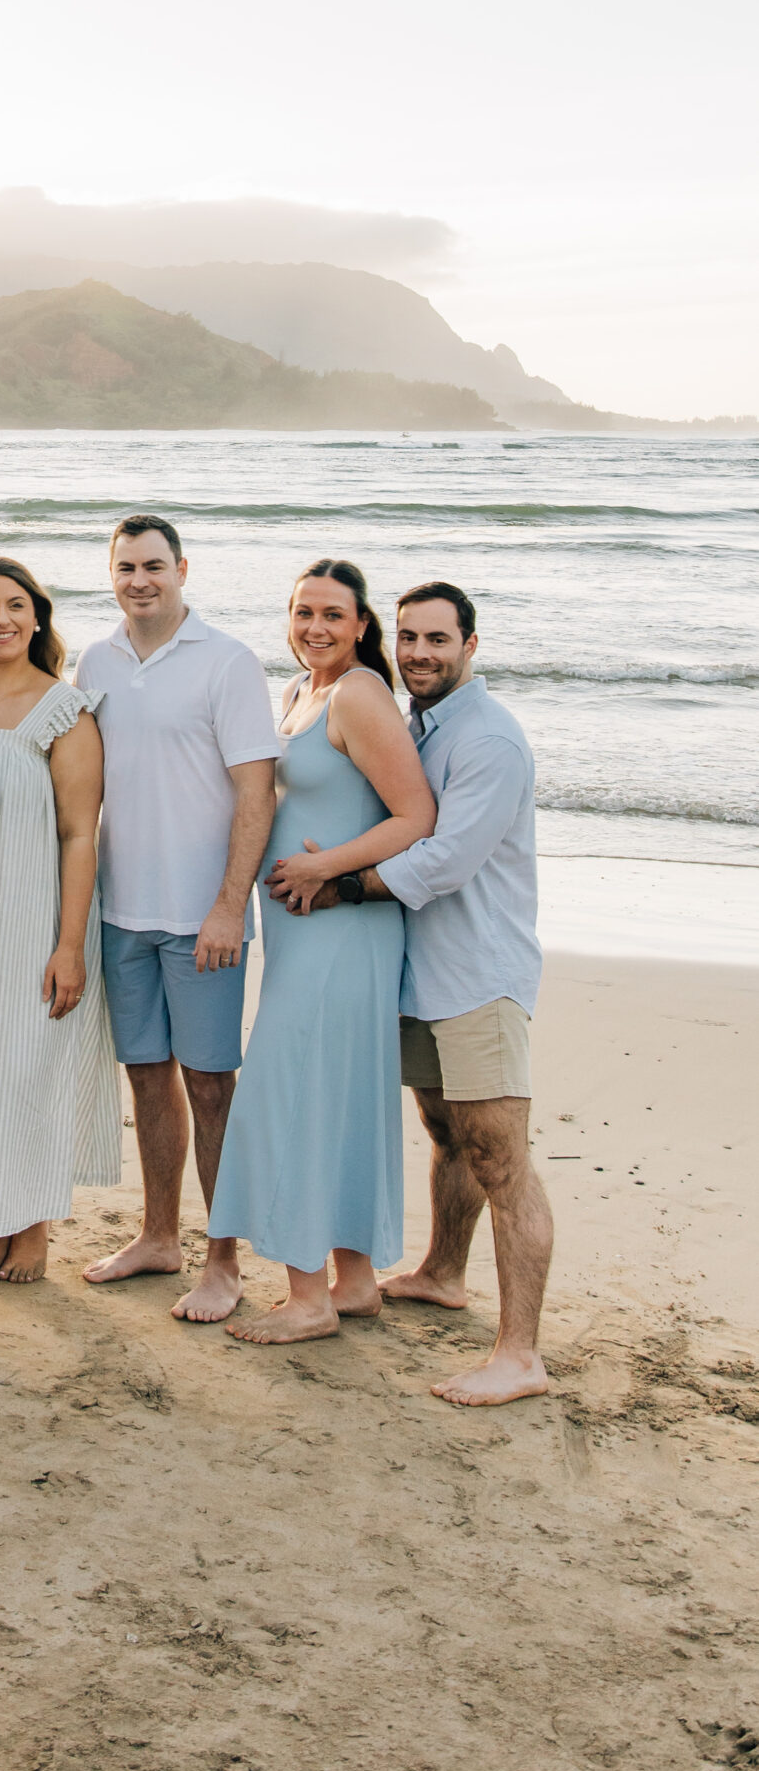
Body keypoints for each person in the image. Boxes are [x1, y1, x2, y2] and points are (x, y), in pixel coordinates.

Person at [285, 583, 553, 1407]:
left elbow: (443, 860)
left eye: (436, 638)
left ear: (471, 644)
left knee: (499, 1157)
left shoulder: (489, 742)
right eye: (407, 638)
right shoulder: (417, 725)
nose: (418, 654)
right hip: (417, 971)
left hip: (479, 976)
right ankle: (441, 1272)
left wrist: (340, 884)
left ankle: (519, 1355)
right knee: (445, 1130)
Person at [209, 559, 435, 1344]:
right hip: (304, 932)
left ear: (361, 625)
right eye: (303, 612)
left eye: (332, 615)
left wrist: (322, 866)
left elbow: (416, 817)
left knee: (293, 1092)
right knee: (333, 1095)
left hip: (344, 930)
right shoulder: (297, 691)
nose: (314, 628)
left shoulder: (359, 693)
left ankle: (306, 1300)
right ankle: (355, 1282)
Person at [75, 515, 280, 1321]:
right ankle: (158, 1236)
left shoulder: (226, 663)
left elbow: (255, 792)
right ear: (112, 573)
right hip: (121, 910)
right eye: (125, 566)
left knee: (210, 1085)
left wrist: (229, 905)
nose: (139, 580)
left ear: (182, 569)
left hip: (202, 919)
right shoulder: (95, 660)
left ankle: (222, 1260)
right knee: (146, 1077)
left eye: (153, 565)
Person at [0, 556, 122, 1285]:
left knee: (26, 1064)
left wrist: (69, 944)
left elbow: (79, 833)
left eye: (14, 605)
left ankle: (30, 1229)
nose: (0, 618)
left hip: (30, 911)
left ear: (36, 616)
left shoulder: (63, 709)